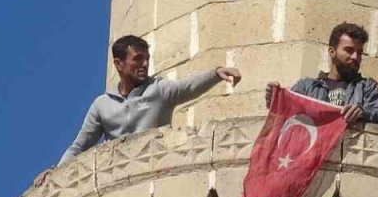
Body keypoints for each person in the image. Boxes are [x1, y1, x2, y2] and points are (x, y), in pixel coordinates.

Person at [56, 35, 241, 166]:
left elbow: (187, 87)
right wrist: (55, 173)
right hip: (117, 178)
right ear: (119, 64)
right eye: (138, 59)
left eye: (147, 59)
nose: (145, 64)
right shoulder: (102, 104)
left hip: (154, 171)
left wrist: (215, 74)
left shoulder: (158, 89)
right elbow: (80, 146)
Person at [266, 22, 378, 125]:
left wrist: (363, 113)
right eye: (349, 50)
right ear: (332, 52)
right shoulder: (307, 87)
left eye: (359, 52)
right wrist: (274, 100)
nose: (355, 57)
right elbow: (286, 111)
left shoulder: (367, 87)